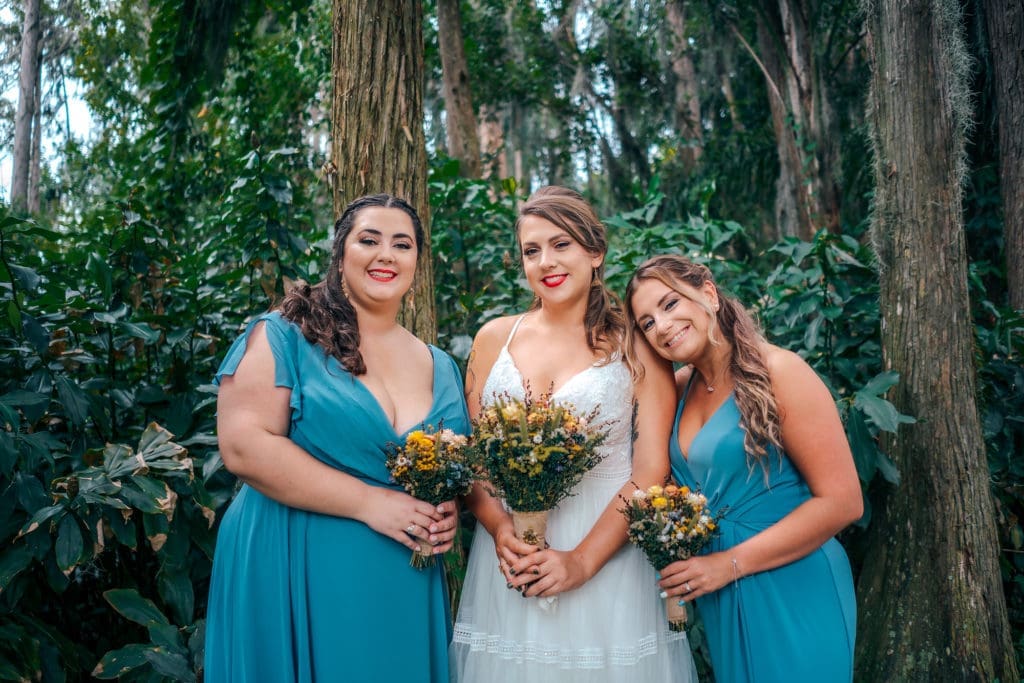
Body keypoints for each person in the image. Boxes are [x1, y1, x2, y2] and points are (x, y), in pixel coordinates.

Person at [204, 194, 470, 682]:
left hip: (402, 579)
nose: (385, 254)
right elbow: (243, 445)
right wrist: (370, 503)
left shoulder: (442, 366)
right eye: (369, 240)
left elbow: (451, 467)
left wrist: (446, 506)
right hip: (293, 563)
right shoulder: (284, 334)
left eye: (402, 244)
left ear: (417, 262)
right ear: (341, 253)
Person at [449, 187, 697, 682]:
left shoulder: (637, 344)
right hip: (511, 561)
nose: (546, 262)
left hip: (606, 553)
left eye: (561, 244)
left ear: (595, 252)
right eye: (531, 250)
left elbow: (651, 469)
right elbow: (473, 458)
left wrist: (580, 563)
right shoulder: (494, 338)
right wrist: (500, 529)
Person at [623, 254, 863, 683]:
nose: (661, 325)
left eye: (670, 304)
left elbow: (843, 502)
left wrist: (729, 564)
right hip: (720, 591)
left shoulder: (780, 372)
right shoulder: (676, 391)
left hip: (793, 583)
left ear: (709, 295)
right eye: (646, 323)